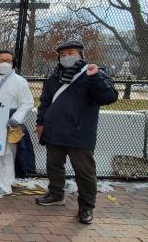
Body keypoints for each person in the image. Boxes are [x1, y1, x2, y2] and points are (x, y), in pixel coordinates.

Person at [35, 41, 118, 224]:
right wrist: (41, 122)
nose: (66, 57)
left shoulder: (93, 73)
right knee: (54, 165)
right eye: (63, 54)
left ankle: (86, 206)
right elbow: (45, 102)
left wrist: (95, 77)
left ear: (81, 54)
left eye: (71, 53)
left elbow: (109, 97)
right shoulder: (54, 77)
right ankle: (56, 194)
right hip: (54, 131)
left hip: (79, 134)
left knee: (84, 172)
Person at [0, 50, 34, 198]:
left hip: (10, 122)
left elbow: (28, 102)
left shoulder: (19, 81)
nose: (5, 63)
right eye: (1, 60)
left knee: (7, 154)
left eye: (9, 60)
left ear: (13, 63)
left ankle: (5, 185)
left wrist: (16, 119)